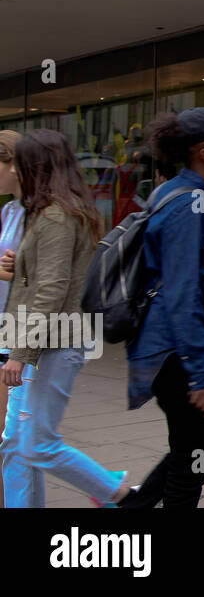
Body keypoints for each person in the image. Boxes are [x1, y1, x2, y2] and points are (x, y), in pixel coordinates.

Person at [0, 129, 130, 507]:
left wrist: (20, 353)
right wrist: (18, 267)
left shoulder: (56, 215)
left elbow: (51, 291)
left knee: (37, 444)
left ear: (34, 166)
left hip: (53, 341)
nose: (16, 171)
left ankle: (118, 493)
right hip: (45, 339)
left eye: (19, 163)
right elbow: (42, 280)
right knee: (18, 441)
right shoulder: (50, 211)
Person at [118, 108, 204, 508]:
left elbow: (177, 285)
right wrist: (201, 375)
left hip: (161, 346)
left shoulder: (172, 191)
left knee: (185, 451)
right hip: (170, 351)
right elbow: (182, 293)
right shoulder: (190, 203)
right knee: (192, 465)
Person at [0, 130, 25, 504]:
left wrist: (20, 269)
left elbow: (58, 278)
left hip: (21, 334)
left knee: (15, 436)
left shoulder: (44, 212)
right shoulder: (8, 210)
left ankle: (110, 488)